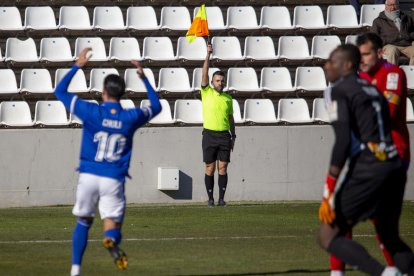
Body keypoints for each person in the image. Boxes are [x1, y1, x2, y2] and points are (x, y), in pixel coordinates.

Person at [54, 48, 161, 276]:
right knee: (112, 223)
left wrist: (77, 66)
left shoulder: (91, 111)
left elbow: (59, 91)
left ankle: (75, 270)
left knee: (83, 221)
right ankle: (110, 239)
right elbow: (157, 106)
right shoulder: (130, 117)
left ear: (103, 92)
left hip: (89, 174)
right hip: (113, 177)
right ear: (122, 94)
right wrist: (144, 79)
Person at [318, 44, 414, 275]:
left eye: (332, 61)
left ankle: (381, 273)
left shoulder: (340, 91)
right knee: (389, 235)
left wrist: (329, 186)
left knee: (328, 234)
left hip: (371, 166)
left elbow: (342, 142)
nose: (327, 65)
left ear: (348, 65)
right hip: (394, 165)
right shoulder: (373, 91)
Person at [201, 43, 236, 207]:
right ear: (212, 81)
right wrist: (208, 55)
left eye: (222, 80)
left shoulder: (228, 98)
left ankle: (221, 199)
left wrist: (233, 135)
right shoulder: (206, 91)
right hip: (209, 134)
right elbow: (204, 72)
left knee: (223, 168)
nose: (220, 82)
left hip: (224, 136)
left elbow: (231, 119)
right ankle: (210, 199)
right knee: (210, 168)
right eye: (217, 80)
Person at [372, 0, 414, 65]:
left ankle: (411, 73)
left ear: (398, 5)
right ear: (385, 6)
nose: (393, 7)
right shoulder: (378, 21)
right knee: (393, 51)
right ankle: (392, 73)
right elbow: (373, 38)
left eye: (395, 5)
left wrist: (408, 36)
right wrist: (390, 38)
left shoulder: (406, 18)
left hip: (405, 45)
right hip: (388, 45)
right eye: (390, 5)